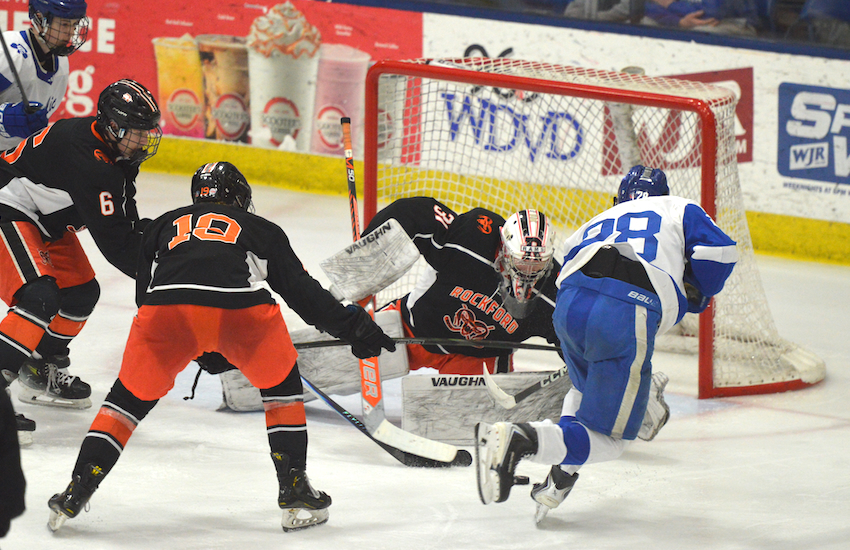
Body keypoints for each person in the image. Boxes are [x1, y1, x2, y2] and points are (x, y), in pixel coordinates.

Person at [46, 162, 395, 533]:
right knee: (281, 384)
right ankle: (294, 487)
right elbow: (303, 295)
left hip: (165, 314)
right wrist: (352, 328)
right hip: (239, 314)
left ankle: (77, 489)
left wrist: (196, 343)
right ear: (239, 197)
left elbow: (145, 296)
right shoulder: (262, 229)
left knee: (126, 402)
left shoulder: (163, 224)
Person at [474, 165, 738, 522]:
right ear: (663, 194)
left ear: (618, 200)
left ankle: (558, 479)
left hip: (568, 307)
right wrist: (698, 287)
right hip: (627, 307)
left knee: (584, 395)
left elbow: (566, 268)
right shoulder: (677, 207)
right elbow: (717, 254)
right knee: (611, 440)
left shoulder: (598, 219)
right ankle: (521, 439)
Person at [0, 79, 161, 441]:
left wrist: (165, 248)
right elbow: (117, 244)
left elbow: (127, 221)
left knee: (80, 293)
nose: (143, 140)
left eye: (147, 131)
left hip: (42, 219)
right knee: (38, 299)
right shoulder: (90, 160)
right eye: (136, 132)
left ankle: (39, 367)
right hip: (7, 205)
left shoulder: (116, 151)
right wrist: (168, 277)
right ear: (113, 126)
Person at [342, 197, 561, 375]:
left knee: (469, 425)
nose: (528, 271)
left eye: (538, 263)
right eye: (522, 260)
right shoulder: (471, 240)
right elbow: (412, 214)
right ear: (505, 247)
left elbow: (573, 336)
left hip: (479, 363)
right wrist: (362, 267)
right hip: (410, 332)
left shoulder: (552, 295)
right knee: (319, 364)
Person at [0, 0, 89, 150]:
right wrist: (5, 119)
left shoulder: (61, 65)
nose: (72, 32)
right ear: (40, 19)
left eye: (75, 25)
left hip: (14, 160)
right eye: (65, 24)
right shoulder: (9, 53)